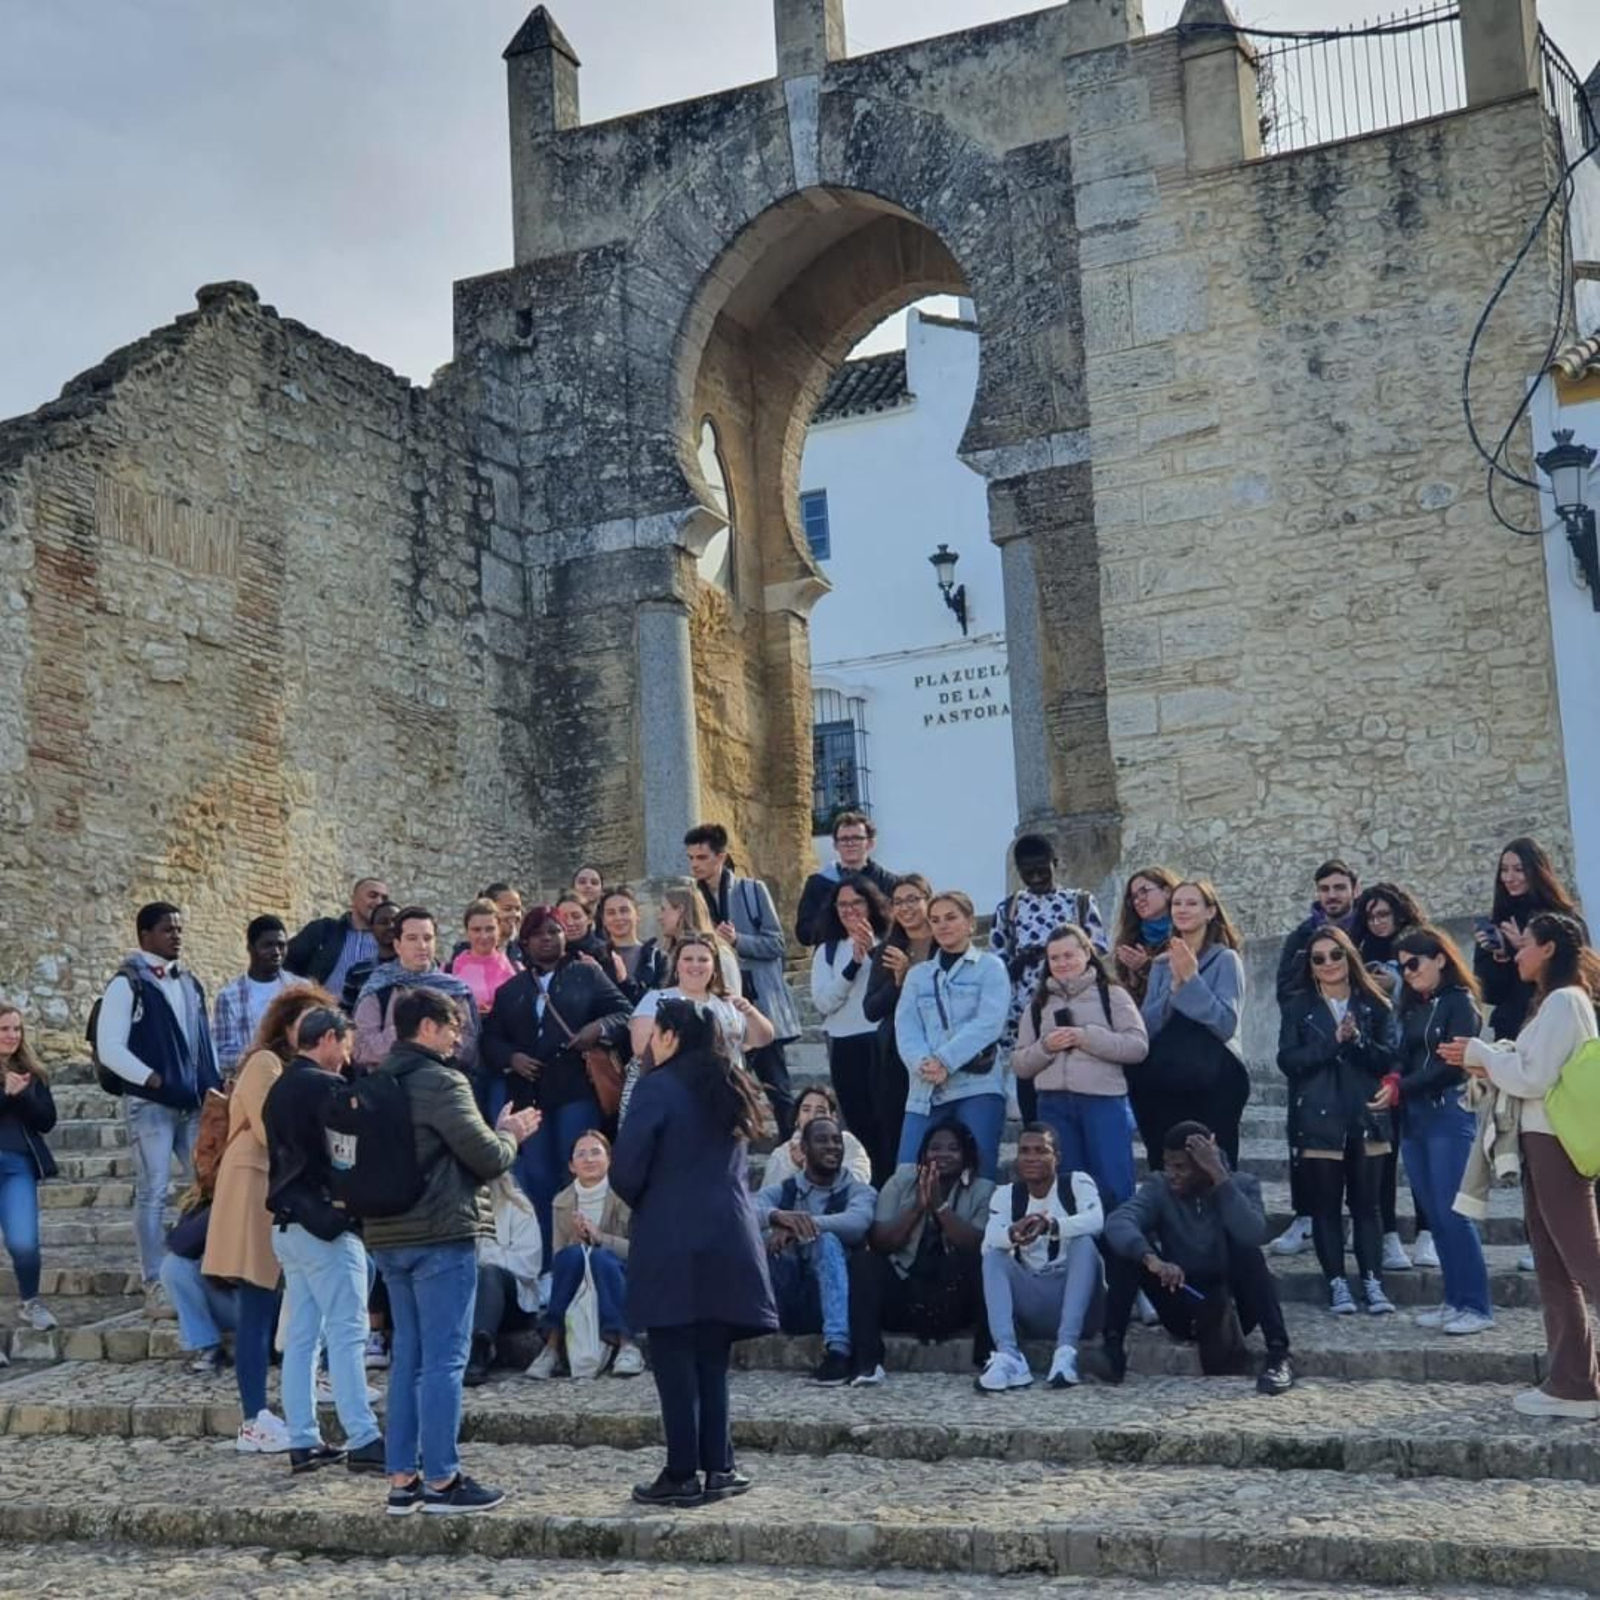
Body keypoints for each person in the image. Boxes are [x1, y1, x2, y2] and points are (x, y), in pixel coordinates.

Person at [365, 987, 541, 1515]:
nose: (460, 1037)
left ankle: (402, 1478)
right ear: (427, 1028)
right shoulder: (442, 1082)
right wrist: (510, 1133)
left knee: (408, 1358)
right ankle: (442, 1479)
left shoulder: (376, 1080)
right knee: (444, 1360)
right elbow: (487, 1157)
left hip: (387, 1236)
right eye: (453, 1027)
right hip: (440, 1235)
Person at [611, 997, 778, 1508]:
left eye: (654, 1035)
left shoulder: (656, 1087)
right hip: (729, 1234)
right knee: (711, 1358)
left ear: (669, 1036)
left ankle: (682, 1472)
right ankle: (720, 1467)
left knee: (674, 1358)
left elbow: (626, 1170)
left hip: (672, 1236)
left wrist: (649, 1200)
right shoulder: (729, 1081)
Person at [1444, 913, 1600, 1416]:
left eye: (1526, 944)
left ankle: (1575, 1382)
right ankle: (1573, 1384)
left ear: (1549, 948)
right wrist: (1488, 1059)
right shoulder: (1556, 1002)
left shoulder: (1564, 1001)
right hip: (1541, 1139)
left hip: (1554, 1141)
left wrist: (1483, 1053)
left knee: (1584, 1261)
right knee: (1555, 1268)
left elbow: (1533, 1078)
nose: (1518, 953)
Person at [205, 983, 335, 1454]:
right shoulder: (265, 1063)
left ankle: (308, 1382)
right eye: (307, 1021)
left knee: (293, 1295)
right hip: (252, 1187)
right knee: (257, 1302)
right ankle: (253, 1417)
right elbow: (269, 1128)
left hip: (278, 1186)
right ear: (286, 1026)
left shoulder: (299, 1070)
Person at [261, 1005, 386, 1474]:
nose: (349, 1057)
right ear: (329, 1038)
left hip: (288, 1224)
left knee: (303, 1338)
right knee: (348, 1331)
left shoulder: (279, 1088)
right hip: (324, 1224)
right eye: (347, 1045)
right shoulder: (327, 1088)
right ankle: (363, 1435)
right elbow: (348, 1156)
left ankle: (303, 1438)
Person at [93, 901, 221, 1318]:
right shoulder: (126, 983)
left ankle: (202, 1269)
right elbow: (110, 1046)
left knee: (208, 1184)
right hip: (151, 1103)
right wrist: (150, 1079)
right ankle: (154, 1283)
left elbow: (203, 1039)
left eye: (179, 929)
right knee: (153, 1190)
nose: (176, 936)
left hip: (193, 1102)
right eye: (168, 929)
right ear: (145, 935)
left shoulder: (189, 982)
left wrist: (212, 1082)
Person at [1103, 1122, 1294, 1395]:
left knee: (1248, 1251)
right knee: (1127, 1249)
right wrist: (1151, 1259)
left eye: (1181, 1167)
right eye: (1168, 1165)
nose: (1172, 1174)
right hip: (1182, 1297)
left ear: (1204, 1165)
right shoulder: (1159, 1186)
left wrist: (1219, 1175)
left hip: (1234, 1306)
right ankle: (1111, 1350)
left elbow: (1252, 1232)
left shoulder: (1243, 1185)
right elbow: (1118, 1222)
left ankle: (1278, 1355)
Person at [1365, 927, 1491, 1334]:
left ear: (1440, 958)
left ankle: (1476, 1305)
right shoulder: (1413, 1005)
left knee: (1453, 1213)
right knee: (1435, 1214)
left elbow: (1452, 1065)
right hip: (1415, 1116)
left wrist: (1401, 1085)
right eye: (1403, 966)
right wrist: (1393, 1079)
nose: (1408, 972)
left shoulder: (1459, 1002)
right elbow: (1403, 1054)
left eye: (1414, 963)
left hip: (1447, 1113)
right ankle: (1454, 1299)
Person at [480, 906, 631, 1246]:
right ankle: (548, 1255)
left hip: (575, 1088)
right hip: (529, 1095)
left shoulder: (587, 975)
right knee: (537, 1177)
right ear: (525, 942)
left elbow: (624, 1013)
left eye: (553, 931)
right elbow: (490, 1040)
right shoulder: (511, 989)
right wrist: (512, 1057)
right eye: (537, 934)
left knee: (576, 1171)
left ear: (565, 936)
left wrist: (598, 1028)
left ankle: (583, 1248)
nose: (546, 939)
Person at [1276, 926, 1400, 1316]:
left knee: (1368, 1205)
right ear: (1310, 966)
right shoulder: (1298, 1007)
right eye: (1319, 958)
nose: (1328, 963)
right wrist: (1334, 1042)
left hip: (1366, 1114)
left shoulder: (1376, 1004)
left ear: (1350, 957)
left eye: (1335, 954)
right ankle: (1336, 1283)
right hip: (1318, 1117)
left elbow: (1388, 1059)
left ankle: (1373, 1282)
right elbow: (1288, 1061)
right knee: (1326, 1207)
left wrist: (1357, 1039)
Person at [846, 1121, 992, 1387]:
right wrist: (918, 1207)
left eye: (953, 1149)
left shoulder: (983, 1190)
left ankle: (990, 1359)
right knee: (864, 1262)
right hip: (905, 1294)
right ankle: (867, 1363)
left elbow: (977, 1245)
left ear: (966, 1155)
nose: (943, 1154)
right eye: (935, 1148)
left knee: (986, 1261)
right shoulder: (901, 1180)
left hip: (952, 1300)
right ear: (923, 1154)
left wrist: (940, 1207)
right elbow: (879, 1241)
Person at [1013, 925, 1147, 1207]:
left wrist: (1086, 1037)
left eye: (1069, 955)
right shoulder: (1037, 1005)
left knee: (1114, 1184)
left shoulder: (1113, 995)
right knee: (1067, 1188)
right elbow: (1020, 1064)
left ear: (1087, 953)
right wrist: (1046, 1047)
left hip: (1103, 1103)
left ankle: (1119, 1236)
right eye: (1054, 958)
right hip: (1052, 1105)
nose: (1062, 963)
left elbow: (1138, 1046)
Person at [685, 822, 800, 1139]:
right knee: (726, 1091)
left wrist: (738, 941)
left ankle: (792, 1149)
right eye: (691, 858)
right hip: (719, 1008)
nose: (695, 864)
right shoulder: (693, 898)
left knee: (778, 1089)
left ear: (721, 857)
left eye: (702, 857)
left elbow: (776, 944)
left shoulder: (752, 890)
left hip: (757, 1005)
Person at [1269, 859, 1360, 1259]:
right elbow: (1285, 989)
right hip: (1311, 1053)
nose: (1332, 895)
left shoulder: (1368, 929)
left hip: (1359, 1057)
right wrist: (1319, 1015)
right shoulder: (1301, 937)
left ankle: (1364, 1220)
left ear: (1354, 889)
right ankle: (1304, 1217)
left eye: (1339, 887)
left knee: (1364, 1146)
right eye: (1325, 889)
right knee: (1303, 1141)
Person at [975, 1123, 1104, 1392]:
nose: (1031, 1158)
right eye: (1024, 1151)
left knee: (1084, 1243)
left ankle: (1066, 1352)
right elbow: (989, 1241)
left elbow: (1096, 1220)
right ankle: (1008, 1355)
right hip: (1033, 1300)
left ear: (1057, 1156)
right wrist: (1012, 1233)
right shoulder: (1006, 1195)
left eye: (1041, 1151)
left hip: (1078, 1303)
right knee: (994, 1255)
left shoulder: (1077, 1183)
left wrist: (1053, 1226)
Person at [1133, 880, 1249, 1171]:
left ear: (1210, 911)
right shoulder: (1161, 964)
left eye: (1191, 903)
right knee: (1166, 1166)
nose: (1182, 910)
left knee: (1212, 1166)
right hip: (1163, 1081)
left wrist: (1191, 981)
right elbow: (1147, 1025)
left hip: (1214, 1081)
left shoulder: (1226, 960)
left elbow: (1225, 1023)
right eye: (1177, 903)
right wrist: (1174, 987)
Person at [991, 835, 1107, 1126]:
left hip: (1073, 1006)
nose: (1036, 876)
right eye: (1027, 871)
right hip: (1025, 1013)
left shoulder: (1079, 902)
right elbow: (997, 964)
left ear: (1056, 864)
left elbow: (1097, 948)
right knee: (1031, 1090)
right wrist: (1021, 961)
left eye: (1042, 869)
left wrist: (1054, 953)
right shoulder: (1008, 909)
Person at [894, 892, 1010, 1179]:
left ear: (970, 923)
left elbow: (989, 1023)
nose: (943, 925)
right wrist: (923, 1063)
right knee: (908, 1172)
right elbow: (906, 1027)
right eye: (935, 920)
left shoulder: (990, 968)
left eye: (951, 917)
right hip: (925, 1089)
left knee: (979, 1172)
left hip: (977, 1085)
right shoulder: (918, 976)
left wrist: (945, 1060)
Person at [1350, 881, 1434, 1271]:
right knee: (1383, 1154)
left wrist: (1396, 984)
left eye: (1384, 914)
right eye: (1371, 916)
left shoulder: (1419, 948)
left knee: (1420, 1155)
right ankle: (1388, 1236)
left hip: (1416, 1065)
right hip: (1379, 1064)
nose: (1378, 922)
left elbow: (1430, 996)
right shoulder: (1359, 952)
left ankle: (1427, 1233)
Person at [755, 1114, 876, 1384]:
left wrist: (797, 1227)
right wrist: (776, 1217)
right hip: (786, 1294)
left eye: (836, 1140)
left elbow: (858, 1223)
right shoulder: (786, 1189)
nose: (832, 1146)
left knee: (827, 1240)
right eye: (822, 1140)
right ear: (804, 1149)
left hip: (833, 1303)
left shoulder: (858, 1191)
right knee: (759, 1239)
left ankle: (838, 1352)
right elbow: (745, 1210)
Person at [523, 1129, 642, 1380]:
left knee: (601, 1258)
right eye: (581, 1154)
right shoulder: (562, 1201)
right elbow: (558, 1258)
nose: (589, 1159)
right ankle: (552, 1347)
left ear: (609, 1159)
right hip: (577, 1277)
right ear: (571, 1165)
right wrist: (578, 1240)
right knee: (571, 1255)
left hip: (621, 1275)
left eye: (596, 1152)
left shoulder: (626, 1195)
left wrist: (600, 1238)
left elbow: (640, 1251)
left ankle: (627, 1344)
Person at [810, 875, 896, 1182]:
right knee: (859, 1126)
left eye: (857, 902)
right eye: (842, 904)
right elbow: (823, 1002)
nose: (849, 910)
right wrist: (853, 965)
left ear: (871, 904)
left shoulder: (889, 942)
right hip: (845, 1044)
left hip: (882, 1041)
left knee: (889, 1123)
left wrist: (871, 952)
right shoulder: (827, 951)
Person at [1473, 837, 1586, 1042]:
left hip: (1556, 1022)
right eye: (1504, 870)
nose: (1509, 878)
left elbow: (1575, 972)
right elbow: (1489, 993)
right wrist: (1501, 955)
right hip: (1512, 1029)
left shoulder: (1563, 920)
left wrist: (1523, 948)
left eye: (1518, 869)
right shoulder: (1497, 923)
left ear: (1536, 871)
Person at [861, 873, 936, 1184]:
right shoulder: (888, 951)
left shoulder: (945, 946)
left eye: (913, 899)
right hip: (894, 1055)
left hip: (938, 1051)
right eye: (898, 902)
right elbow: (871, 1009)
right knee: (896, 1131)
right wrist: (899, 981)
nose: (905, 907)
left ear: (928, 901)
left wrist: (913, 973)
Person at [352, 907, 480, 1075]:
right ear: (398, 945)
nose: (422, 946)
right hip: (390, 1082)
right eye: (412, 938)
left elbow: (468, 1046)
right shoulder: (379, 988)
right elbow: (361, 1048)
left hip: (441, 1080)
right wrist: (409, 1032)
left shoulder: (454, 990)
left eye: (428, 938)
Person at [629, 936, 772, 1074]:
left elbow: (762, 1039)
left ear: (714, 967)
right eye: (688, 959)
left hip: (725, 1084)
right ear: (677, 965)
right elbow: (640, 1047)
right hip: (675, 1083)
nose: (695, 965)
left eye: (703, 960)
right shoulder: (656, 999)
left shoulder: (728, 1003)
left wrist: (750, 1013)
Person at [0, 1005, 58, 1334]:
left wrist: (22, 1095)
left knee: (24, 1243)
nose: (12, 1036)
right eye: (4, 1029)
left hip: (17, 1166)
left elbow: (47, 1121)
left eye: (17, 1029)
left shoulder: (33, 1073)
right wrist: (6, 1096)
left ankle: (31, 1303)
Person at [466, 1173, 543, 1387]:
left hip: (514, 1302)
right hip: (467, 1293)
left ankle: (479, 1351)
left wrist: (487, 1257)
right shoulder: (458, 1211)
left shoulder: (519, 1207)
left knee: (489, 1273)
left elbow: (528, 1265)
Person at [211, 916, 297, 1078]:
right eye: (268, 945)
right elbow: (220, 1054)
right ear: (250, 948)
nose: (276, 952)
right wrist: (261, 1055)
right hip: (251, 1082)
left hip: (294, 1080)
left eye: (281, 945)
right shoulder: (230, 997)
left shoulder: (299, 989)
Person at [794, 811, 897, 946]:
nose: (850, 843)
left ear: (870, 843)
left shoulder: (889, 882)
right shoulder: (817, 884)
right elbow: (803, 933)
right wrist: (842, 925)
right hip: (831, 955)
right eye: (843, 839)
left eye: (857, 838)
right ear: (835, 845)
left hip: (877, 954)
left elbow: (898, 926)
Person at [286, 876, 391, 997]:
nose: (379, 902)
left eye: (384, 898)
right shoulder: (324, 929)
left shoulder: (391, 939)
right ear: (353, 899)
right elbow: (288, 962)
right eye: (372, 895)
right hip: (322, 1005)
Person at [762, 1084, 872, 1191]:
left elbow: (859, 1180)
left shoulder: (847, 1143)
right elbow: (771, 1194)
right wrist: (794, 1165)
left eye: (820, 1111)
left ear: (833, 1117)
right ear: (797, 1117)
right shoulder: (782, 1154)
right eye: (806, 1110)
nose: (812, 1116)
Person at [649, 884, 741, 997]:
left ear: (680, 910)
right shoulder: (667, 954)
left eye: (664, 909)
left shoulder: (719, 953)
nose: (659, 917)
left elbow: (732, 998)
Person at [1111, 866, 1179, 1005]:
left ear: (1167, 891)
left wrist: (1147, 967)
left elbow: (1187, 984)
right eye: (1134, 897)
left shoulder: (1187, 933)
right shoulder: (1130, 941)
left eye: (1144, 891)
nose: (1138, 901)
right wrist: (1133, 980)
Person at [449, 898, 519, 1018]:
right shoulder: (450, 970)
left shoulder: (515, 970)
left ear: (499, 930)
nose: (484, 936)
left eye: (490, 929)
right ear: (467, 932)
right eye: (476, 930)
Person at [599, 886, 667, 1003]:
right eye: (611, 913)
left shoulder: (657, 958)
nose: (618, 917)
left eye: (624, 910)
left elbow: (659, 1000)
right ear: (604, 920)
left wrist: (624, 981)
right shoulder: (597, 957)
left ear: (637, 914)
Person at [341, 900, 400, 1018]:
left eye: (396, 921)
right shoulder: (357, 971)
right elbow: (347, 1014)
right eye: (383, 922)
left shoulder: (418, 967)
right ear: (372, 929)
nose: (391, 926)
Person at [555, 893, 611, 966]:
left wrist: (597, 970)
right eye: (563, 918)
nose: (570, 923)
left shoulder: (605, 952)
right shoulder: (549, 952)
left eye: (576, 917)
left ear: (589, 918)